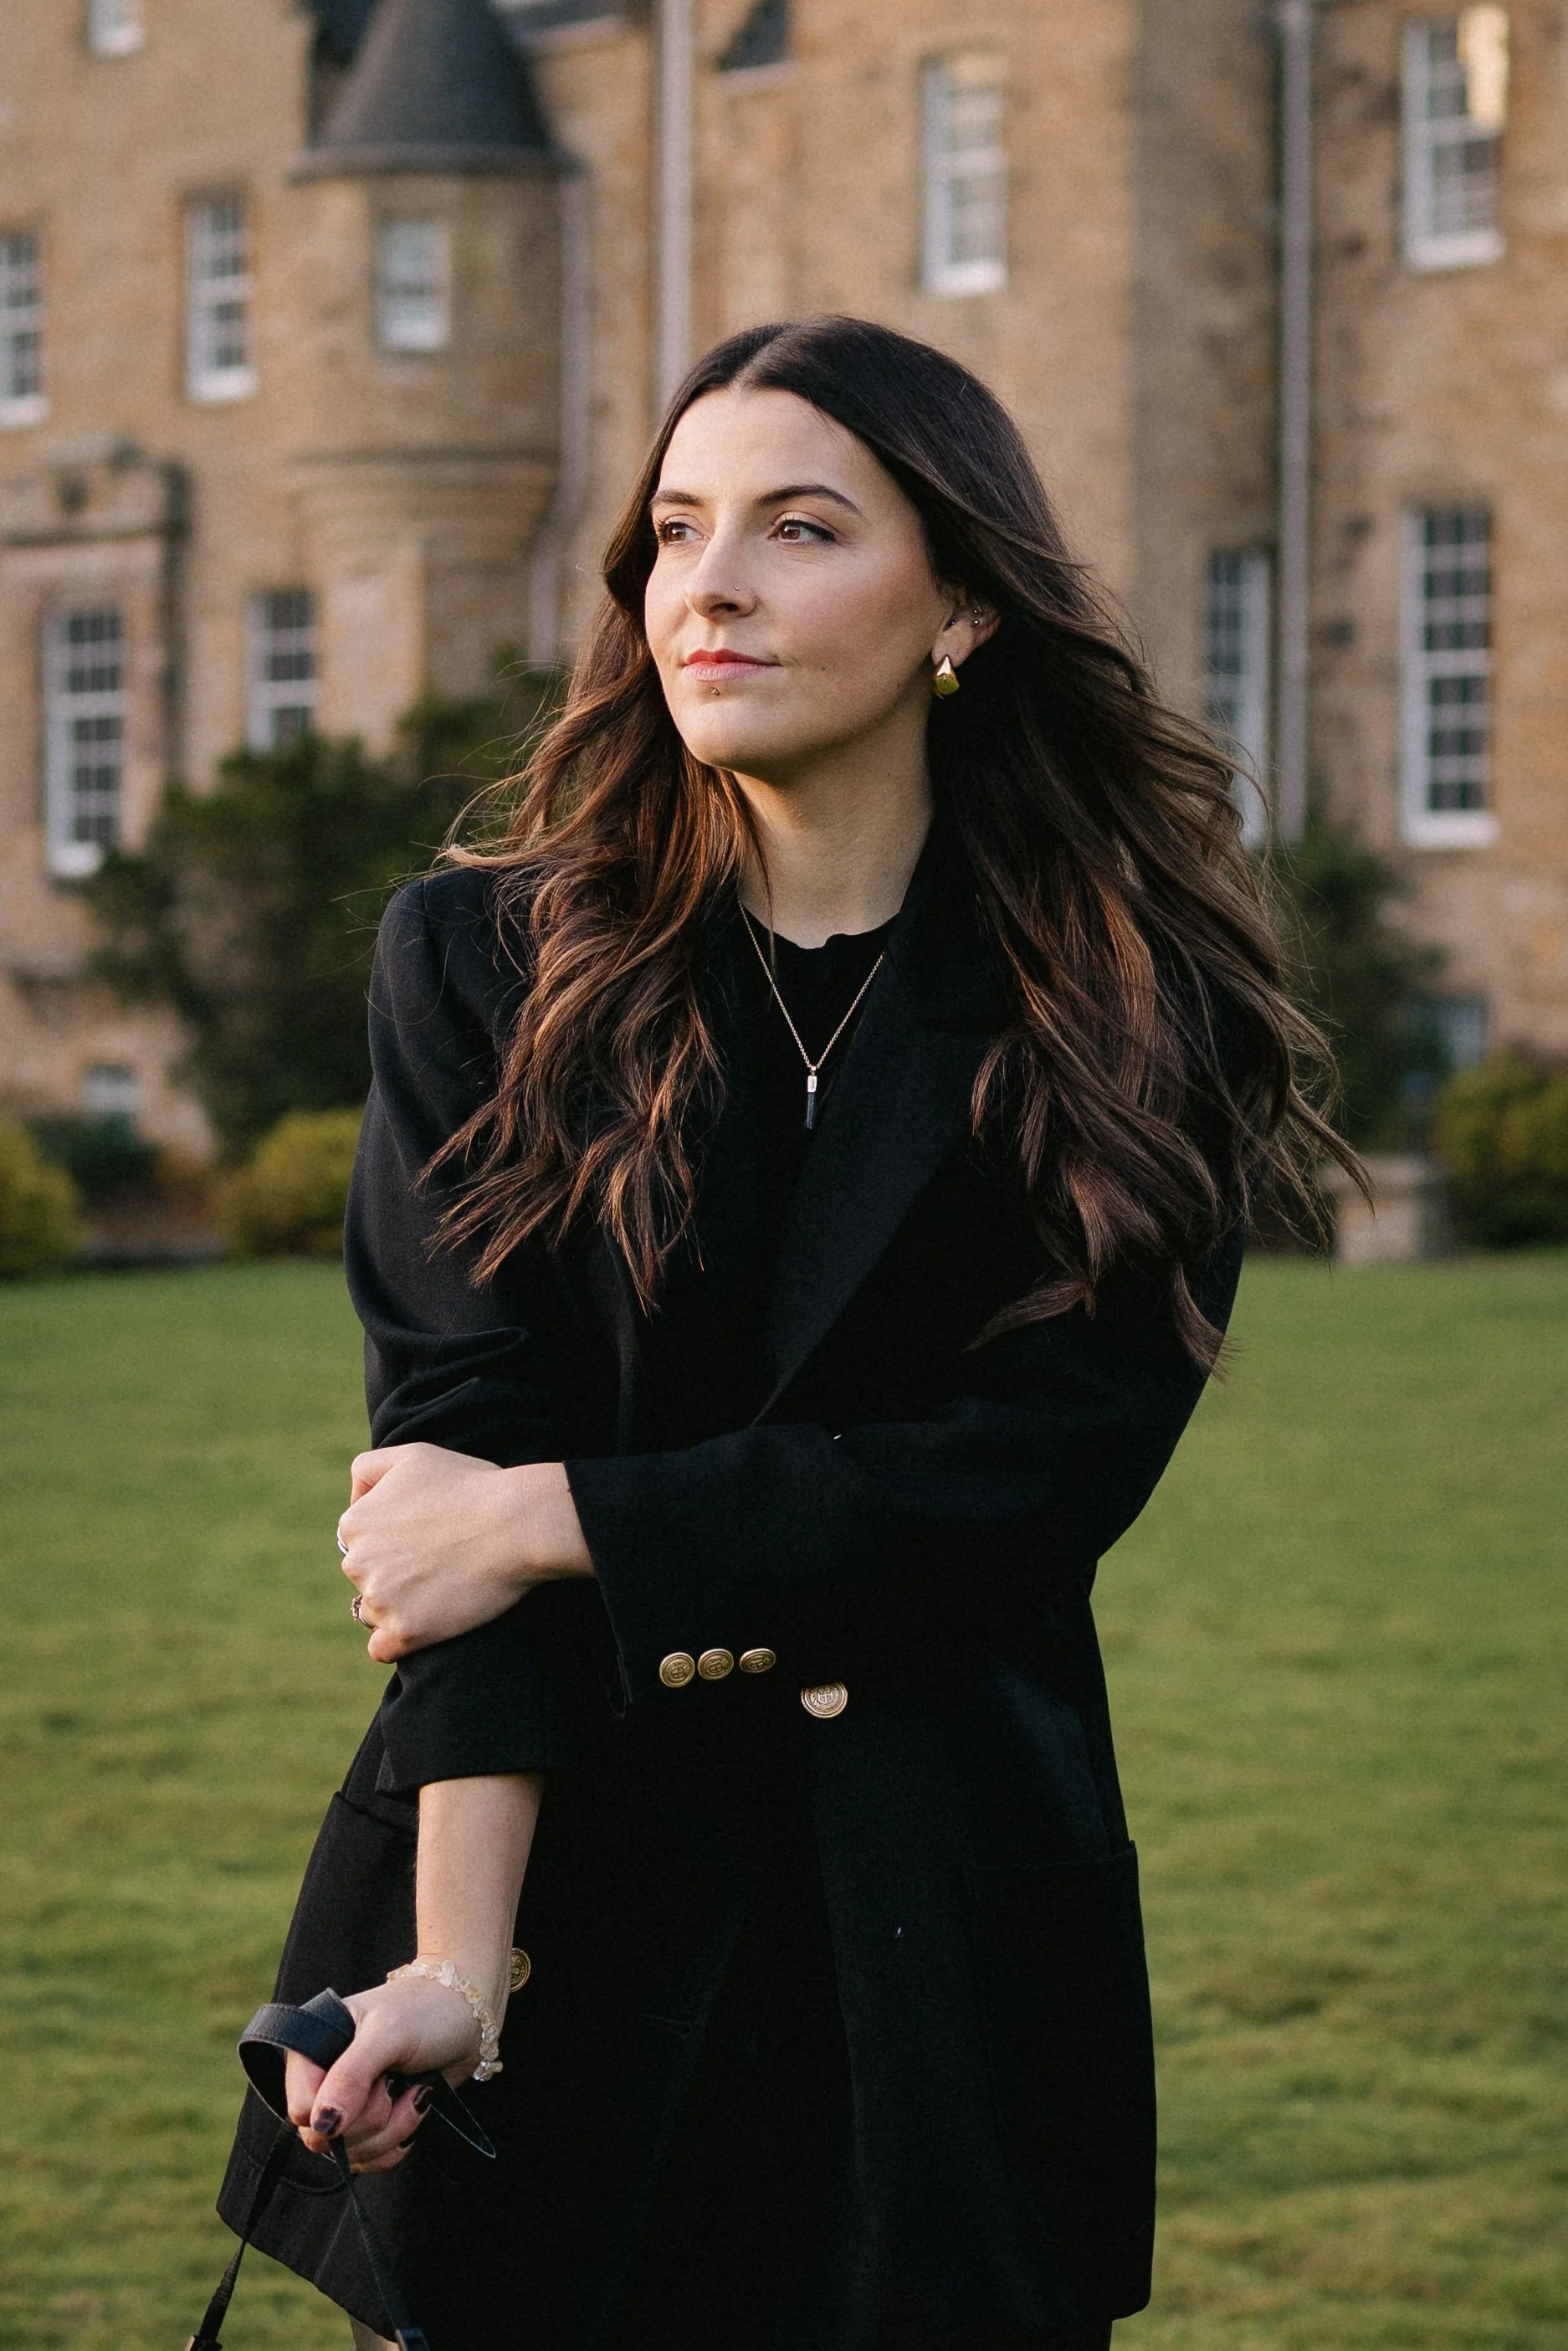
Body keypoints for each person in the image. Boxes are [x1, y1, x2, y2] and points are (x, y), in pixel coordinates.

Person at [218, 315, 1353, 2351]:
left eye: (799, 528)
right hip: (556, 1937)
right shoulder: (482, 959)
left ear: (965, 608)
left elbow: (1021, 1491)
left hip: (943, 1954)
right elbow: (447, 1496)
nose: (707, 587)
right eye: (673, 529)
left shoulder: (1122, 1008)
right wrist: (459, 1973)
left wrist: (569, 1520)